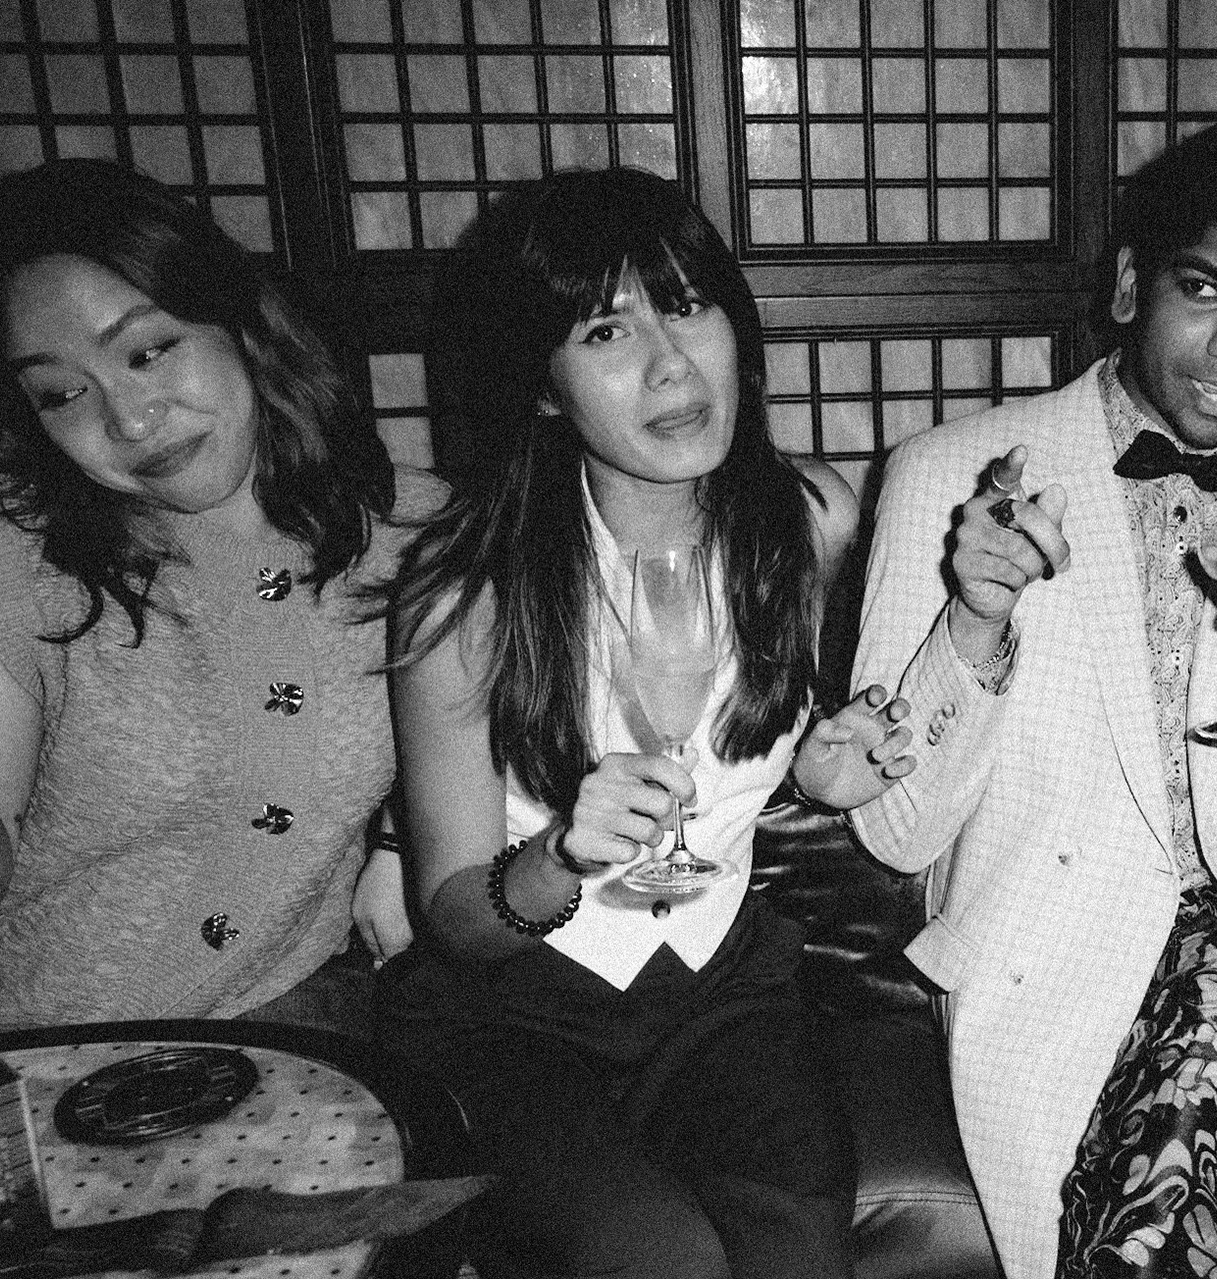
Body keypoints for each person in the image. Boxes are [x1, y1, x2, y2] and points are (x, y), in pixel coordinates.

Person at [845, 117, 1217, 1278]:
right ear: (1133, 285)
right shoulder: (951, 477)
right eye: (1203, 290)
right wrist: (974, 621)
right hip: (1048, 957)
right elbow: (894, 828)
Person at [378, 167, 911, 1279]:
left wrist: (820, 773)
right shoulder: (465, 598)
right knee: (652, 1256)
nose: (671, 363)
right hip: (513, 1016)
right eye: (607, 330)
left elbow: (749, 758)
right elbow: (455, 920)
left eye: (688, 305)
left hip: (720, 988)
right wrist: (561, 856)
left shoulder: (808, 520)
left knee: (802, 1234)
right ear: (541, 386)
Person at [0, 159, 435, 1053]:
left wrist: (395, 845)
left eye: (148, 350)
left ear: (239, 322)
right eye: (62, 394)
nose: (127, 419)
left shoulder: (416, 533)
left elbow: (483, 729)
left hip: (252, 1041)